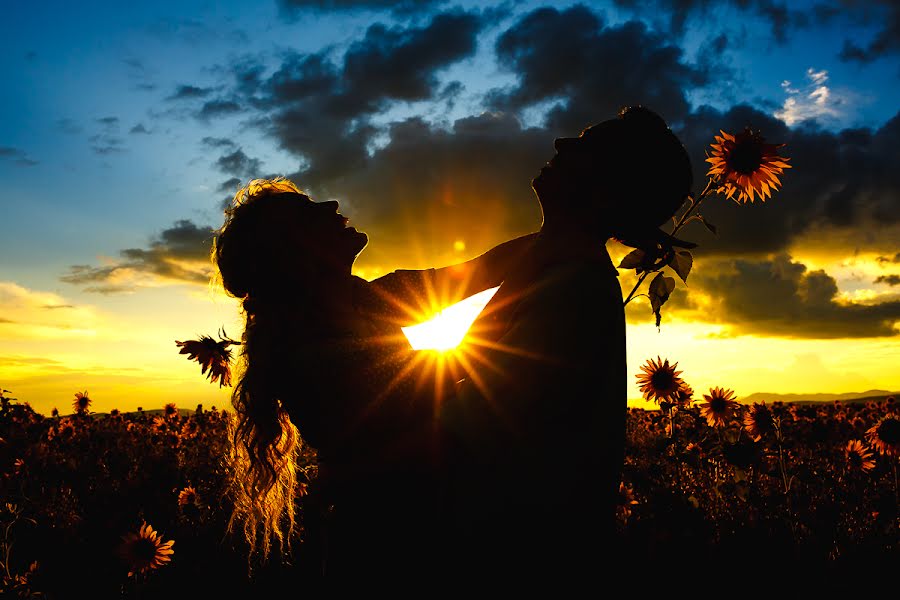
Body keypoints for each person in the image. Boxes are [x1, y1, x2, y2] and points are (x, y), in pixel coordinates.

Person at [204, 177, 535, 583]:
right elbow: (461, 367)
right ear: (296, 254)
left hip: (426, 525)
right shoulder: (311, 357)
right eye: (309, 212)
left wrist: (565, 234)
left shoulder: (367, 300)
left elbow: (483, 269)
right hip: (394, 546)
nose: (331, 204)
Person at [439, 105, 694, 581]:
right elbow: (429, 285)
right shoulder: (543, 256)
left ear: (607, 187)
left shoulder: (574, 289)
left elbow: (465, 426)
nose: (561, 145)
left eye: (585, 145)